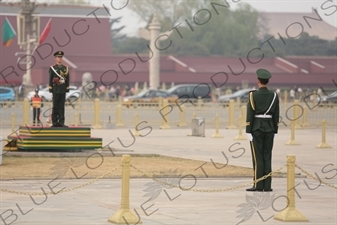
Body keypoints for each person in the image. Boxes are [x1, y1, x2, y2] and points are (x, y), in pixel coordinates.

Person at [245, 69, 280, 192]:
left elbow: (250, 114)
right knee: (267, 156)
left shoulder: (253, 95)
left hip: (257, 128)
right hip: (270, 128)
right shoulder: (274, 95)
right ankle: (267, 185)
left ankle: (258, 185)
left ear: (258, 81)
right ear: (268, 81)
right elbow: (276, 114)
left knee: (257, 157)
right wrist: (275, 130)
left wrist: (248, 130)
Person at [48, 50, 69, 127]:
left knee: (61, 107)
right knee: (55, 106)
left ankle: (61, 122)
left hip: (62, 90)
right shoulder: (53, 68)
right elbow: (50, 79)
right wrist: (50, 89)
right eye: (58, 57)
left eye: (61, 57)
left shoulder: (65, 68)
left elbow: (67, 79)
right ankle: (54, 122)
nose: (59, 59)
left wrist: (67, 89)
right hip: (55, 90)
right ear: (55, 58)